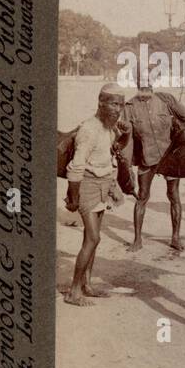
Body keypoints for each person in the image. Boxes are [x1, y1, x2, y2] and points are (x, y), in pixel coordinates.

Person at [64, 84, 131, 306]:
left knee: (91, 240)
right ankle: (74, 292)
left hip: (104, 185)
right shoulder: (89, 129)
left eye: (121, 104)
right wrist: (73, 200)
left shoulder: (109, 128)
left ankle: (87, 285)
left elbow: (114, 148)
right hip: (88, 186)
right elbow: (75, 167)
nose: (118, 109)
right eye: (113, 104)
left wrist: (126, 134)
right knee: (93, 238)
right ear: (101, 102)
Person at [124, 77, 185, 252]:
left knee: (174, 195)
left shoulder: (166, 100)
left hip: (169, 158)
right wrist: (127, 166)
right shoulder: (129, 107)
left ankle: (175, 238)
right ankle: (137, 240)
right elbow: (127, 139)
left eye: (148, 85)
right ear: (136, 85)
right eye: (141, 86)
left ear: (152, 85)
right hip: (146, 159)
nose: (145, 89)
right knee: (142, 197)